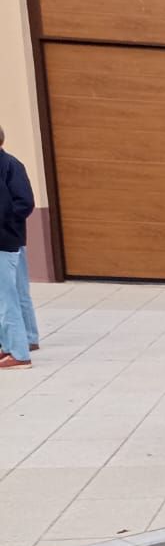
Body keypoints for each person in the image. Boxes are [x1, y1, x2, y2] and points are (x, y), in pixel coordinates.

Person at [0, 124, 40, 370]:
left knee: (10, 296)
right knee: (8, 295)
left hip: (7, 240)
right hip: (7, 239)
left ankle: (20, 349)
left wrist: (6, 226)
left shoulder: (10, 165)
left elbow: (23, 203)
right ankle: (13, 345)